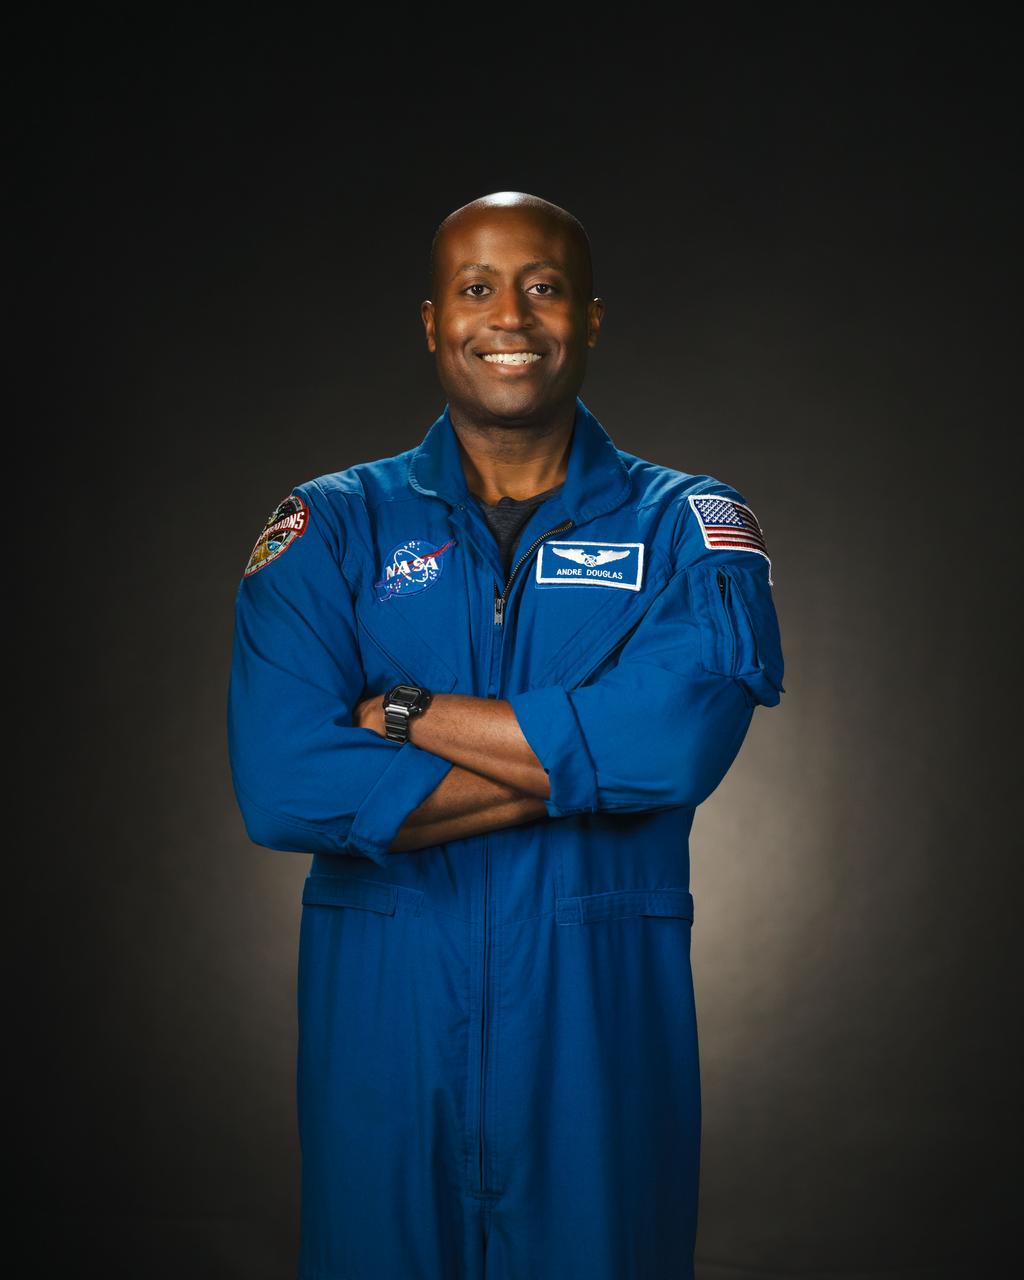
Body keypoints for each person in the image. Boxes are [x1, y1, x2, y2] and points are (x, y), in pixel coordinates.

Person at [227, 190, 785, 1280]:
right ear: (433, 321)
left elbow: (670, 746)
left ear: (590, 314)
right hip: (382, 1051)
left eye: (543, 287)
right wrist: (590, 766)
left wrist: (402, 712)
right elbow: (283, 783)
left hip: (595, 1055)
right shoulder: (331, 524)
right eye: (476, 288)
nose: (510, 319)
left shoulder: (688, 525)